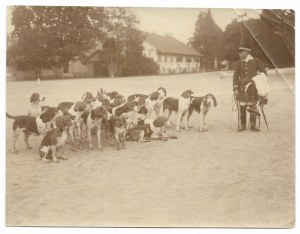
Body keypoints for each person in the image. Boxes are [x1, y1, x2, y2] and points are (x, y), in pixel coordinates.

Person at [233, 43, 267, 131]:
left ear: (247, 52)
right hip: (242, 88)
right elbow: (235, 76)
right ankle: (243, 125)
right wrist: (235, 89)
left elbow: (264, 73)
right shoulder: (238, 63)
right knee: (242, 106)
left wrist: (258, 79)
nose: (239, 54)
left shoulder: (256, 61)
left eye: (241, 52)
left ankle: (253, 125)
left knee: (253, 106)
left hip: (253, 88)